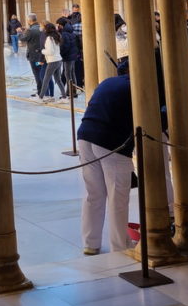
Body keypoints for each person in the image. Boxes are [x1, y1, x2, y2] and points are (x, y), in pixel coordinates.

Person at [77, 56, 134, 254]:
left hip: (85, 137)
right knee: (118, 195)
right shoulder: (135, 87)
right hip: (111, 142)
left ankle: (90, 244)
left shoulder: (108, 82)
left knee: (94, 193)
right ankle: (120, 246)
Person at [39, 21, 67, 101]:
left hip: (52, 61)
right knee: (58, 79)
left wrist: (42, 51)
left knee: (46, 79)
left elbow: (50, 52)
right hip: (58, 60)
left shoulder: (49, 38)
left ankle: (41, 97)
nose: (43, 29)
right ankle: (64, 96)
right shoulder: (57, 36)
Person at [19, 13, 44, 95]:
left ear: (29, 20)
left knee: (37, 73)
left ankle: (40, 91)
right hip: (41, 56)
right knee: (41, 72)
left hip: (33, 57)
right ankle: (43, 90)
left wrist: (19, 32)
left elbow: (23, 38)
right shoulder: (41, 28)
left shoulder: (30, 30)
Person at [57, 16, 79, 95]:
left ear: (60, 25)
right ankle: (74, 91)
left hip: (68, 57)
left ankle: (70, 92)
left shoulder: (64, 33)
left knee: (68, 74)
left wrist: (61, 54)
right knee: (72, 73)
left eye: (58, 25)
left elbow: (65, 46)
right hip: (73, 55)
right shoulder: (70, 31)